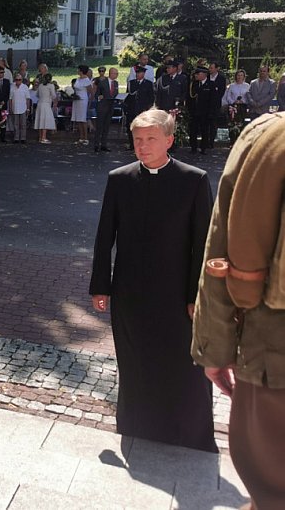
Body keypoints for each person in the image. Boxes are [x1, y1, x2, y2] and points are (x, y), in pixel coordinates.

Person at [90, 108, 217, 453]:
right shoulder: (120, 179)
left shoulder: (194, 180)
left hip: (177, 297)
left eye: (151, 139)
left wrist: (196, 296)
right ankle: (137, 429)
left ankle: (188, 435)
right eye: (137, 139)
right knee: (136, 364)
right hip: (130, 294)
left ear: (170, 140)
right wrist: (101, 285)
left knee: (183, 368)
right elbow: (105, 237)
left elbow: (203, 243)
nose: (142, 146)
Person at [191, 112, 285, 510]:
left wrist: (214, 348)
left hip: (273, 359)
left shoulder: (270, 137)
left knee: (272, 492)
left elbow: (222, 252)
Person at [123, 65, 155, 151]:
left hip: (142, 109)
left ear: (143, 74)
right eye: (137, 73)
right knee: (131, 127)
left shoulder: (148, 84)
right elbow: (128, 95)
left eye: (140, 73)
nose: (137, 74)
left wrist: (148, 109)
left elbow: (151, 97)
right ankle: (132, 144)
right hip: (132, 109)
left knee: (143, 128)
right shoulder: (132, 83)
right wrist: (126, 108)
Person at [186, 66, 215, 155]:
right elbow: (190, 98)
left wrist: (211, 112)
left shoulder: (211, 84)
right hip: (194, 111)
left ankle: (203, 148)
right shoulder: (193, 84)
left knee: (204, 130)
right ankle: (193, 147)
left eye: (198, 74)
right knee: (193, 130)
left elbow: (213, 99)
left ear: (204, 74)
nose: (196, 76)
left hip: (205, 112)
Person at [92, 68, 119, 152]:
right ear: (111, 73)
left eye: (117, 73)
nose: (116, 75)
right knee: (99, 126)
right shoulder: (102, 82)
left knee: (106, 126)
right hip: (102, 106)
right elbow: (97, 94)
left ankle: (104, 144)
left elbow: (115, 93)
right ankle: (96, 145)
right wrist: (99, 97)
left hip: (111, 106)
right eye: (115, 73)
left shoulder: (116, 83)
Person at [34, 68, 57, 144]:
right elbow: (53, 96)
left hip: (40, 104)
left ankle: (40, 137)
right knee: (45, 121)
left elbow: (37, 95)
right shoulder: (51, 86)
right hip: (46, 104)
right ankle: (43, 138)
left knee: (40, 120)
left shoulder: (40, 86)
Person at [7, 73, 31, 144]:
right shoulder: (12, 87)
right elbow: (10, 99)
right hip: (15, 108)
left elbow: (28, 99)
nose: (18, 81)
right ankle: (16, 138)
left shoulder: (25, 87)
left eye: (19, 80)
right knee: (16, 124)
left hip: (23, 108)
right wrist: (10, 108)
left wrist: (28, 108)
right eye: (17, 79)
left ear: (22, 80)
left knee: (23, 124)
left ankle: (23, 138)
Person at [71, 65, 92, 144]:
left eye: (78, 70)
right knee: (78, 119)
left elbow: (90, 91)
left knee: (83, 119)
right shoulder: (77, 79)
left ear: (81, 71)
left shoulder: (86, 80)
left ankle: (86, 138)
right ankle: (81, 137)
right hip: (77, 99)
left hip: (83, 99)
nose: (77, 71)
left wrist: (90, 101)